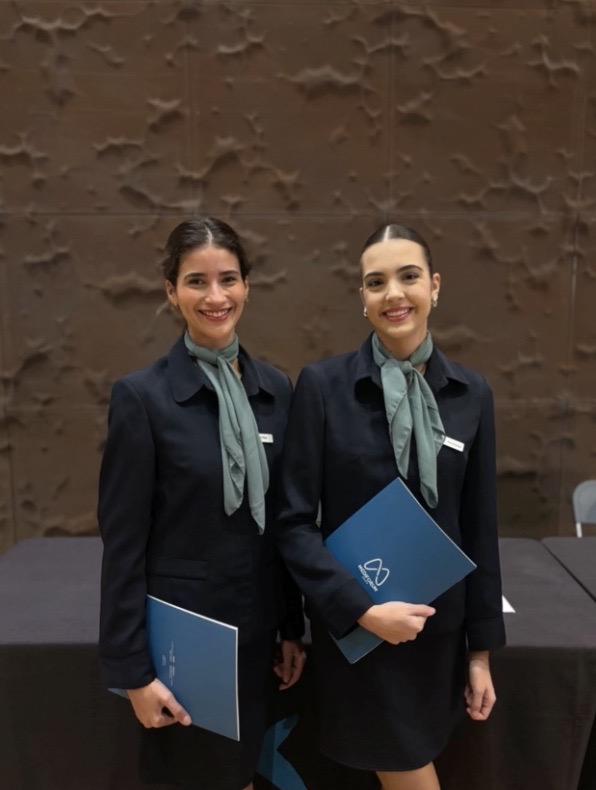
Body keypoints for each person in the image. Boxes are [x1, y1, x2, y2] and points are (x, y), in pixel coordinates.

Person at [276, 223, 506, 790]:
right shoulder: (324, 387)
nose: (393, 294)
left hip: (437, 633)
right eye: (375, 282)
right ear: (362, 299)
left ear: (435, 285)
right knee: (405, 767)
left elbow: (479, 527)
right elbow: (294, 523)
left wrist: (481, 654)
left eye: (408, 277)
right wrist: (361, 610)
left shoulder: (470, 393)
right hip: (361, 629)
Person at [98, 217, 306, 790]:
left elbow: (285, 523)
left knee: (243, 778)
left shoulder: (276, 389)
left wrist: (292, 627)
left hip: (259, 636)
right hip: (185, 644)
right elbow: (122, 545)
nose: (215, 297)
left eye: (228, 279)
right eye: (196, 281)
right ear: (171, 291)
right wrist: (132, 674)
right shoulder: (142, 398)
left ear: (247, 286)